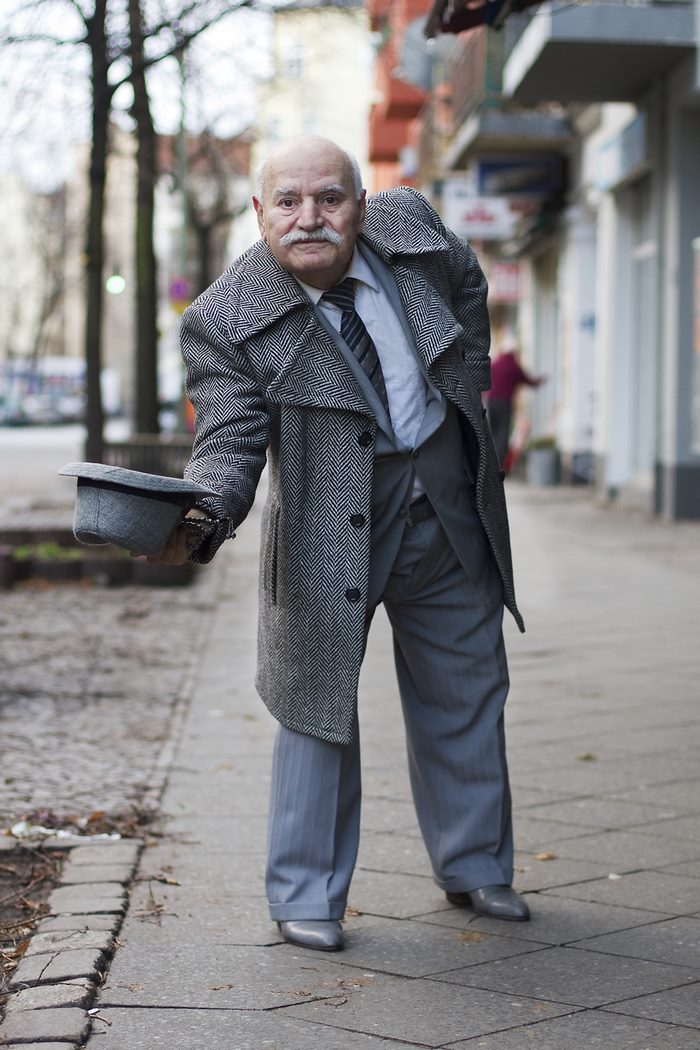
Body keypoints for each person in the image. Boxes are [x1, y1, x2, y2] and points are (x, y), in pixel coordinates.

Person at [152, 135, 529, 952]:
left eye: (329, 197)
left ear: (361, 204)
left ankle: (476, 865)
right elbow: (229, 436)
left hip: (445, 505)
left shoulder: (414, 230)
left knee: (467, 687)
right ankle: (305, 895)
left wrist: (460, 374)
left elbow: (468, 283)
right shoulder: (223, 319)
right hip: (329, 524)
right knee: (315, 707)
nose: (309, 217)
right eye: (287, 201)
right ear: (260, 214)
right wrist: (205, 514)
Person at [486, 337, 545, 467]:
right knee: (503, 434)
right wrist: (539, 381)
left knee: (493, 431)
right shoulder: (514, 367)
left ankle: (490, 463)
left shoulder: (494, 365)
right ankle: (499, 465)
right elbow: (528, 381)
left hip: (491, 401)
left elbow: (485, 381)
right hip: (505, 404)